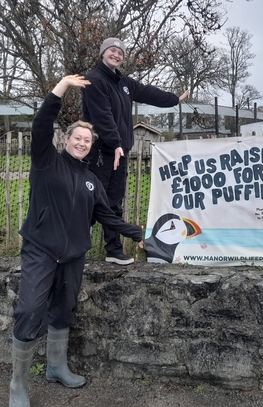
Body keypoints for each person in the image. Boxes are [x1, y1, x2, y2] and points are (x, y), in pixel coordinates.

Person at [10, 75, 143, 407]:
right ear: (65, 139)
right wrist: (62, 87)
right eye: (78, 137)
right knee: (29, 311)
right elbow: (42, 123)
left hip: (73, 256)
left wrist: (139, 235)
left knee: (64, 311)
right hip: (41, 250)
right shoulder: (46, 161)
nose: (83, 142)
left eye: (87, 139)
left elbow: (108, 217)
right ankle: (17, 385)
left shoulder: (90, 181)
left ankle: (56, 367)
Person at [82, 38, 189, 266]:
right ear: (102, 54)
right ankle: (77, 248)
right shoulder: (94, 80)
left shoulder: (124, 82)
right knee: (90, 202)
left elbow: (148, 92)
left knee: (114, 204)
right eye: (112, 50)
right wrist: (115, 142)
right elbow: (102, 116)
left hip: (119, 154)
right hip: (101, 153)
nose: (116, 55)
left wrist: (174, 100)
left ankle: (113, 250)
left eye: (120, 52)